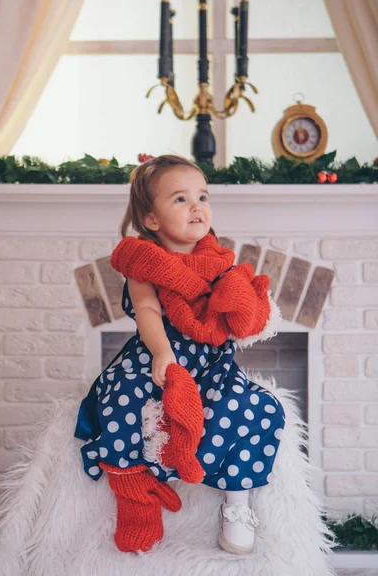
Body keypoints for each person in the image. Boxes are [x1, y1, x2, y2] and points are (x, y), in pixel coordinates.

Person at [75, 154, 285, 556]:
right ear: (151, 219)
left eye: (203, 196)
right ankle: (137, 496)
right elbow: (149, 311)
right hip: (156, 358)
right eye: (180, 199)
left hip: (210, 364)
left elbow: (243, 317)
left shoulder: (221, 264)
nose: (197, 206)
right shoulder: (143, 264)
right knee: (120, 399)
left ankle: (236, 502)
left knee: (256, 408)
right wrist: (162, 354)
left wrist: (241, 301)